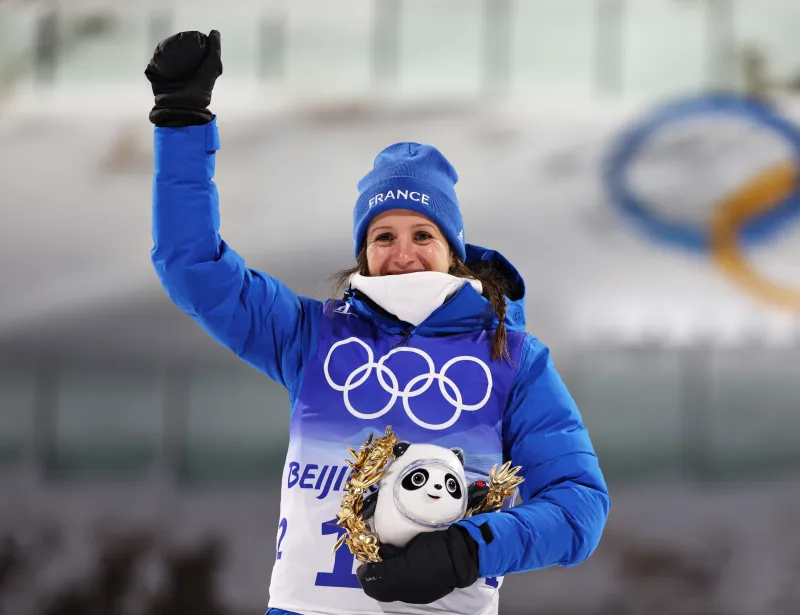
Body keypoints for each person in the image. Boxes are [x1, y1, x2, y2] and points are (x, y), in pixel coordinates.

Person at [145, 30, 610, 615]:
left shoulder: (513, 358)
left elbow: (578, 508)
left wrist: (469, 549)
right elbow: (194, 268)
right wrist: (182, 122)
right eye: (383, 236)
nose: (403, 253)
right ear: (362, 253)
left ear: (453, 251)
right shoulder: (310, 335)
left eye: (423, 234)